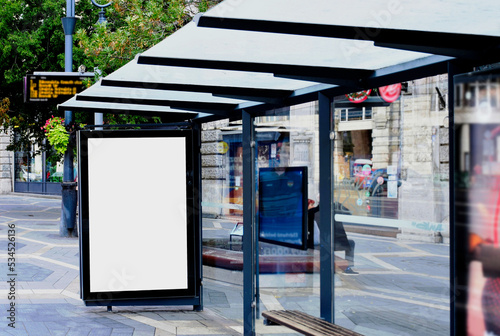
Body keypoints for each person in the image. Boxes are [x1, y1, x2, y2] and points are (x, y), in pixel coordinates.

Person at [307, 199, 357, 274]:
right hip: (325, 241)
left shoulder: (315, 212)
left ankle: (347, 266)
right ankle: (348, 266)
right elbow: (348, 213)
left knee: (350, 243)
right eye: (311, 205)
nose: (313, 206)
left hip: (328, 240)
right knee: (350, 243)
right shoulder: (314, 213)